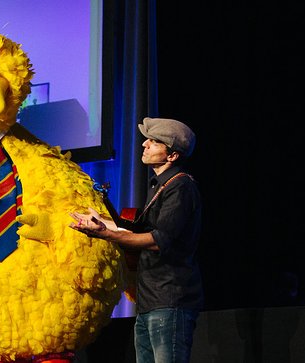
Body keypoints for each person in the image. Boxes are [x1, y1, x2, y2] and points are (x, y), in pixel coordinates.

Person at [69, 117, 204, 363]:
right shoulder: (160, 186)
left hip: (170, 300)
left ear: (172, 156)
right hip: (149, 301)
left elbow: (157, 240)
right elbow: (136, 229)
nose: (145, 144)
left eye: (154, 142)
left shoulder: (180, 187)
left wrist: (105, 234)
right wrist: (101, 221)